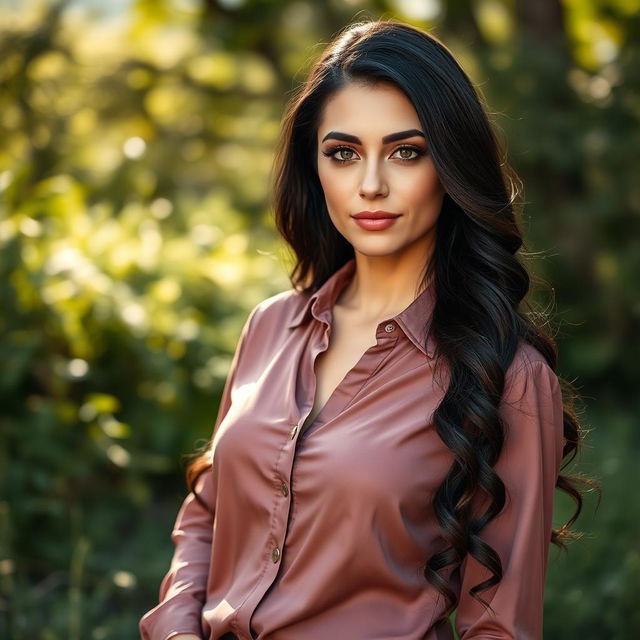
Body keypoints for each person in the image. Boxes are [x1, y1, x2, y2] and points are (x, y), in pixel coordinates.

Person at [139, 19, 591, 640]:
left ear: (451, 164)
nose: (371, 185)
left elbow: (500, 628)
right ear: (314, 165)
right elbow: (207, 517)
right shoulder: (272, 326)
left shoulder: (507, 377)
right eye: (343, 153)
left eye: (407, 152)